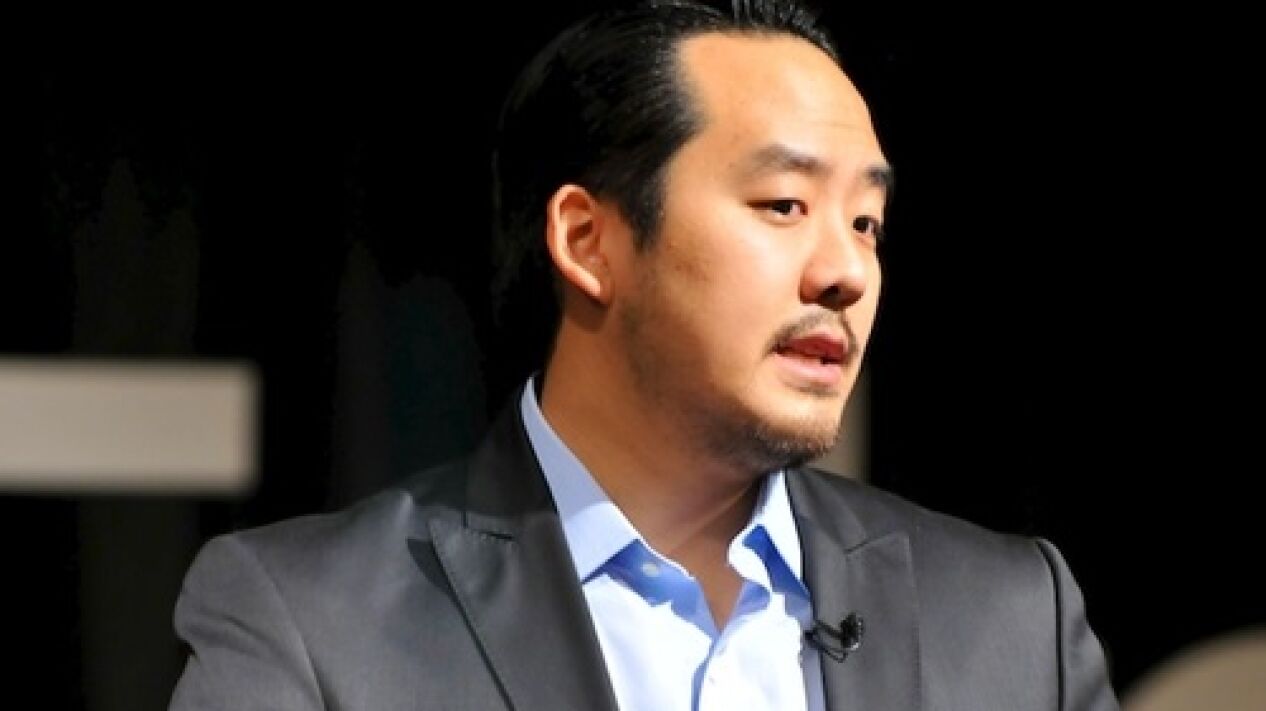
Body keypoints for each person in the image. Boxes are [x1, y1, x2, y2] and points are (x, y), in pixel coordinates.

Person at [169, 1, 1120, 709]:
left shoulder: (1009, 618)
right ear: (589, 241)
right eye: (784, 205)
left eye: (867, 221)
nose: (844, 271)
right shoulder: (311, 620)